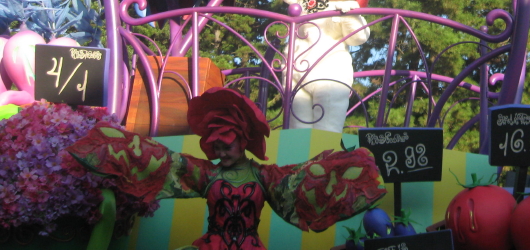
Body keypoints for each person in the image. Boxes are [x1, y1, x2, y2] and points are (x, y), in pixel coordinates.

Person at [66, 87, 386, 250]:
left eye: (227, 146)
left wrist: (353, 169)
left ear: (243, 140)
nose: (221, 152)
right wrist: (110, 150)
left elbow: (306, 180)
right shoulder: (206, 174)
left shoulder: (265, 177)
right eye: (216, 147)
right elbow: (159, 159)